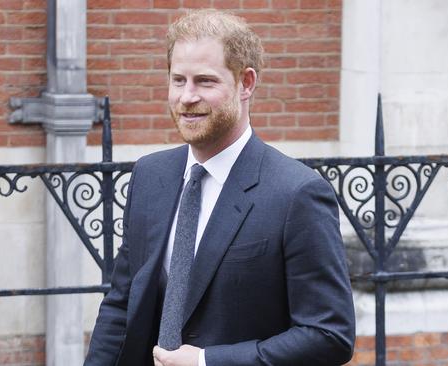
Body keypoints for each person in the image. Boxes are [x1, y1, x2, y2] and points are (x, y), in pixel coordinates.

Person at [85, 9, 355, 366]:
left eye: (205, 81)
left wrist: (206, 362)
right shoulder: (150, 176)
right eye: (178, 80)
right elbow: (122, 305)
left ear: (246, 83)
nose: (187, 97)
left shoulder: (297, 194)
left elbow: (329, 335)